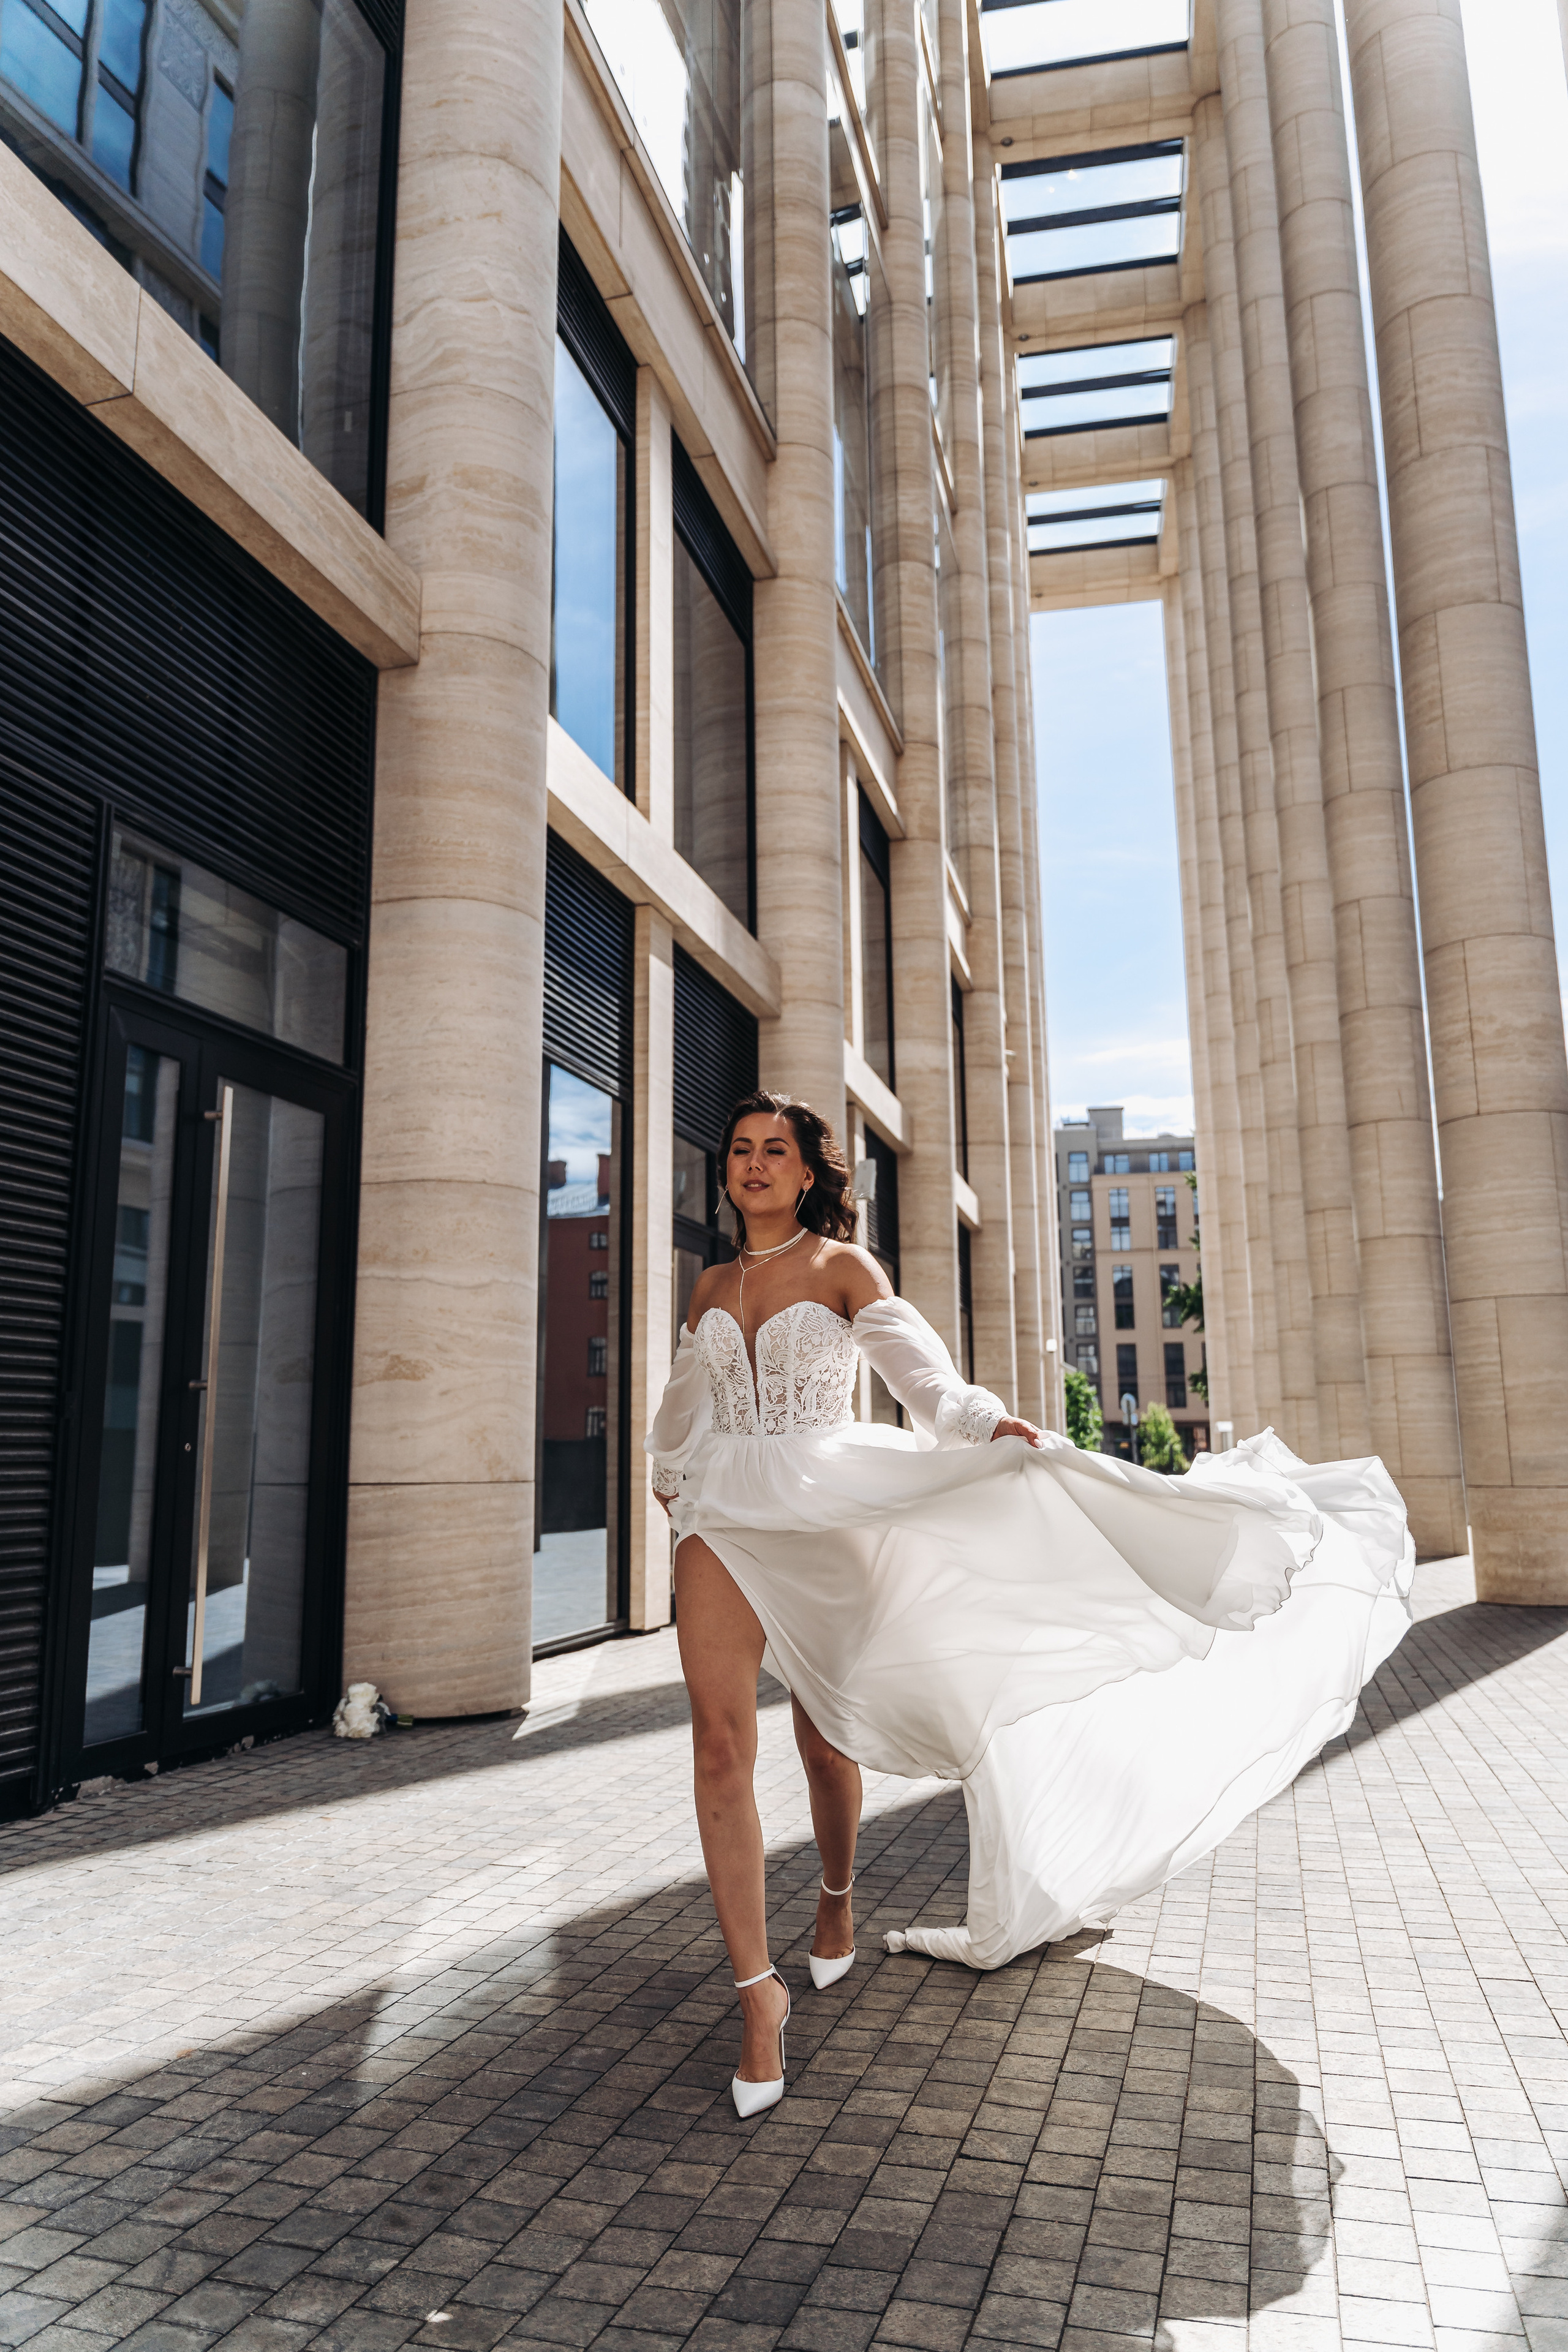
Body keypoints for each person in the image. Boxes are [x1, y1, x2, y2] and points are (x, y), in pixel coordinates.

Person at [649, 1091, 1412, 2117]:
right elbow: (682, 1405)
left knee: (826, 1739)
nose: (752, 1166)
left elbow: (926, 1385)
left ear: (806, 1172)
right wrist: (671, 1472)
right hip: (725, 1519)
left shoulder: (843, 1268)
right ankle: (757, 1994)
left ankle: (834, 1906)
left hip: (831, 1517)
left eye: (773, 1151)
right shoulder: (706, 1285)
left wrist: (988, 1423)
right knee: (717, 1742)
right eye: (739, 1150)